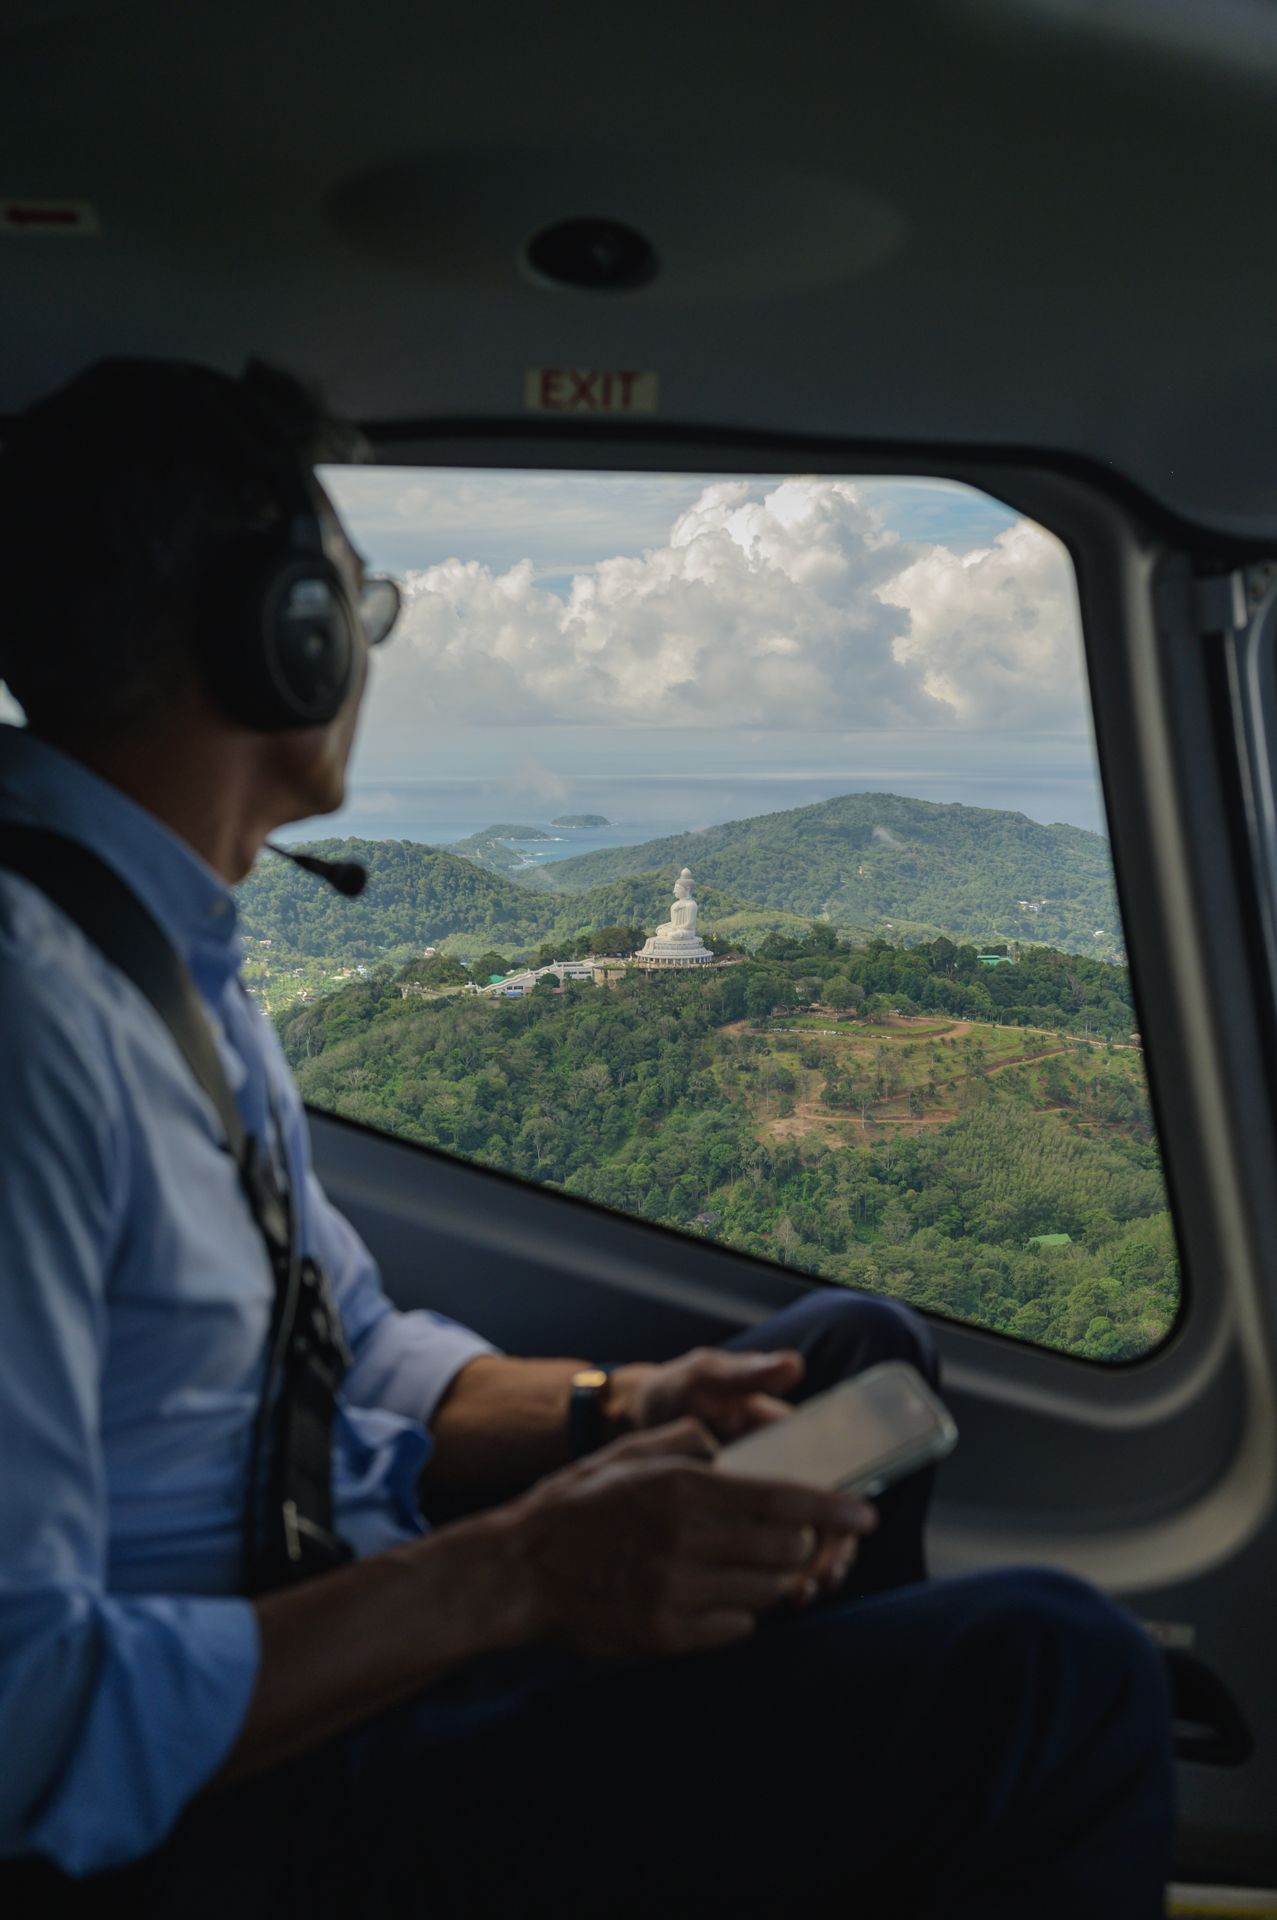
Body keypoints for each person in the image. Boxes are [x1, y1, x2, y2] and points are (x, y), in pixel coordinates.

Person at [0, 359, 1174, 1917]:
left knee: (849, 1356)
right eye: (362, 606)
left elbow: (343, 1349)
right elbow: (27, 1724)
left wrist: (619, 1407)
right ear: (278, 632)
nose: (363, 648)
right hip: (236, 1796)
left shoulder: (164, 959)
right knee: (1059, 1673)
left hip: (351, 1636)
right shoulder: (35, 1022)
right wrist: (518, 1577)